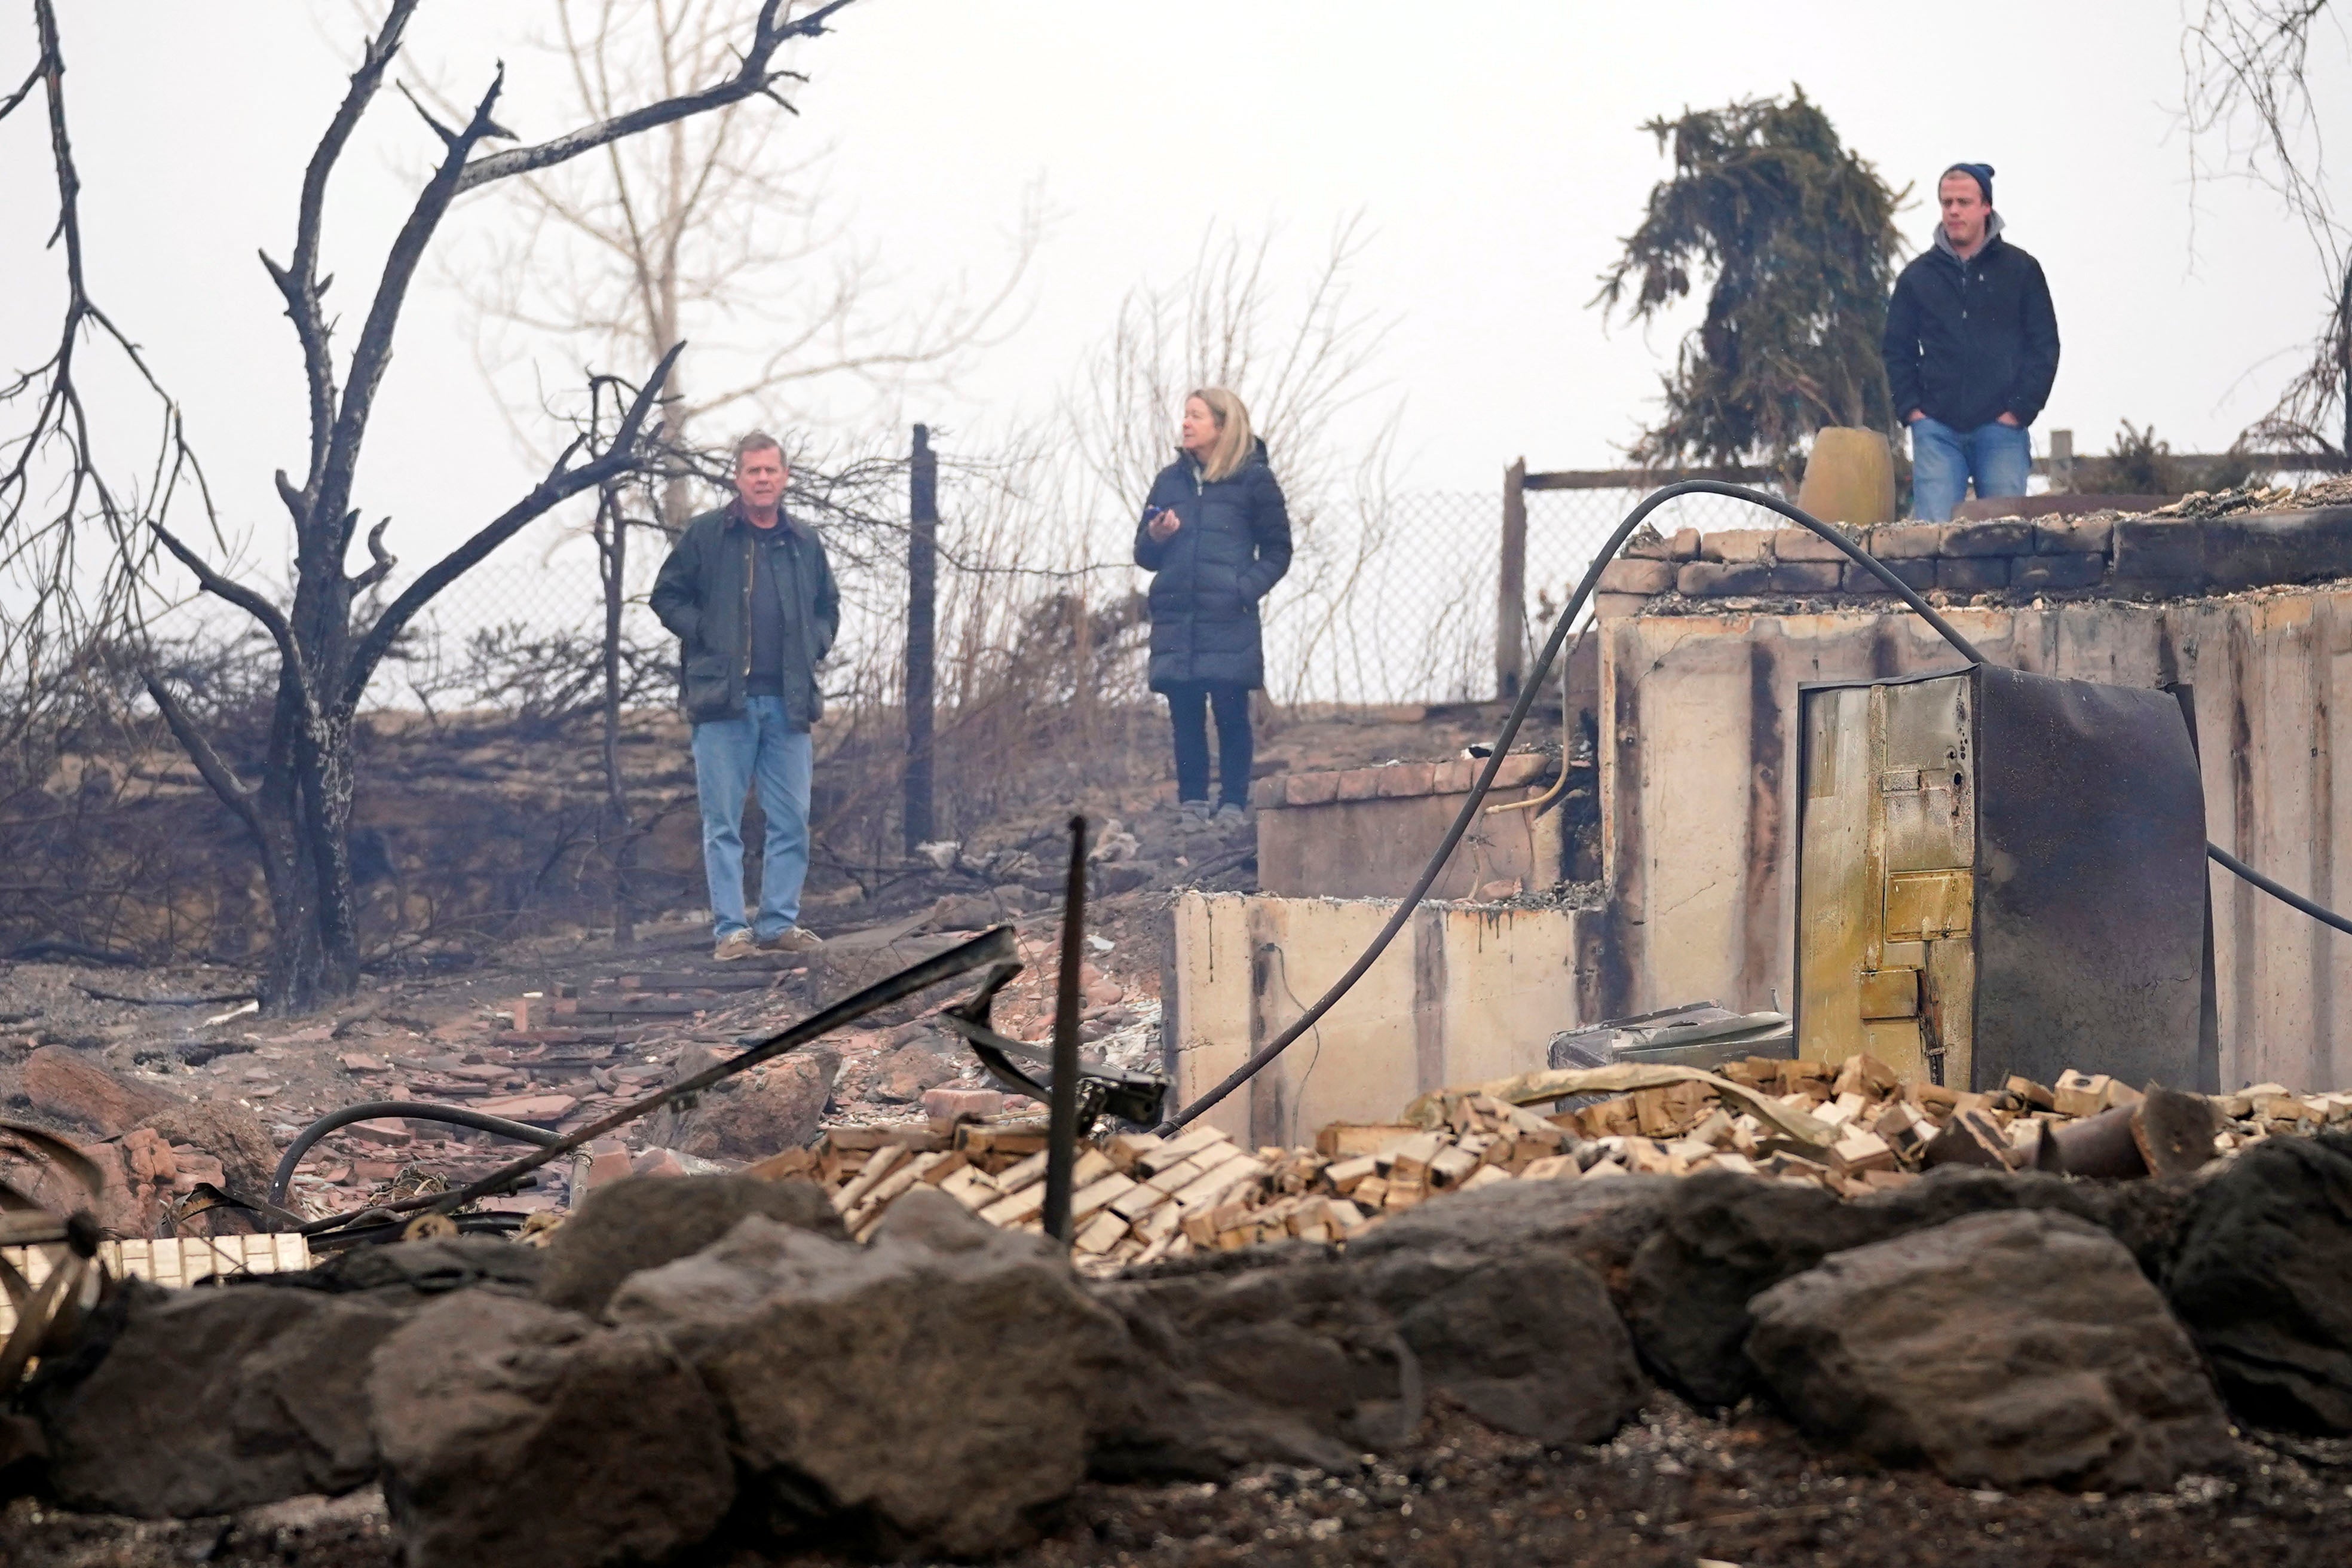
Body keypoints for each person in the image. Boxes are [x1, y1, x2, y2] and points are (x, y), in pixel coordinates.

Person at [650, 431, 839, 961]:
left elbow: (829, 607)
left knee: (790, 821)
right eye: (753, 471)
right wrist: (706, 631)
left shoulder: (804, 542)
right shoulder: (708, 535)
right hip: (722, 702)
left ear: (784, 478)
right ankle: (731, 932)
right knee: (723, 823)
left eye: (770, 471)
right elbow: (666, 595)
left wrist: (813, 645)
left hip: (790, 704)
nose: (762, 479)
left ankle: (779, 924)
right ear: (737, 478)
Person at [1134, 388, 1292, 820]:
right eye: (1185, 415)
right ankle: (1193, 804)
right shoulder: (1169, 480)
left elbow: (1279, 552)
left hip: (1228, 616)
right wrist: (1158, 536)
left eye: (1196, 416)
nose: (1185, 423)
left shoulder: (1255, 480)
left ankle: (1234, 804)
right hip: (1176, 617)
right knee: (1184, 713)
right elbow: (1144, 555)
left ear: (1222, 426)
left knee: (1229, 711)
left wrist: (1240, 590)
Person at [1881, 162, 2060, 522]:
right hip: (1937, 430)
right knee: (1930, 541)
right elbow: (1896, 348)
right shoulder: (1917, 277)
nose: (1954, 211)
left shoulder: (2021, 270)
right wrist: (1913, 411)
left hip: (2002, 431)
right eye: (1947, 202)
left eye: (1964, 201)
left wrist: (2020, 410)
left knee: (2005, 538)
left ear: (1986, 207)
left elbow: (2044, 346)